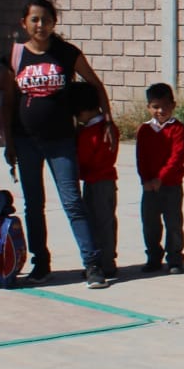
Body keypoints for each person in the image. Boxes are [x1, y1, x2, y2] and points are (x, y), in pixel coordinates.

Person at [7, 0, 111, 288]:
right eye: (35, 19)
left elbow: (95, 83)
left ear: (54, 22)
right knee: (33, 205)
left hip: (61, 141)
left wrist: (108, 120)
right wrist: (8, 142)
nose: (40, 25)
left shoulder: (66, 53)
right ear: (24, 23)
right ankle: (40, 264)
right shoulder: (15, 56)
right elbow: (6, 101)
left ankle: (93, 264)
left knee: (72, 202)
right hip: (26, 141)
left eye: (46, 19)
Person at [67, 82, 118, 285]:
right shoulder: (104, 127)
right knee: (102, 222)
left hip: (99, 180)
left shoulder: (94, 132)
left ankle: (106, 262)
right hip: (98, 180)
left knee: (102, 223)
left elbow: (86, 158)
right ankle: (105, 260)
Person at [137, 83, 184, 274]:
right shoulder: (144, 130)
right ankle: (153, 256)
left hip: (171, 185)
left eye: (165, 106)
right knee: (150, 223)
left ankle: (175, 258)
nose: (160, 111)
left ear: (173, 105)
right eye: (155, 106)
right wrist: (146, 180)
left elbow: (177, 157)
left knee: (173, 223)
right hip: (150, 186)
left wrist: (161, 178)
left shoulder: (177, 129)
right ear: (148, 107)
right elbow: (140, 157)